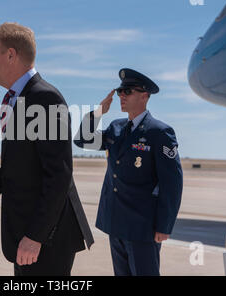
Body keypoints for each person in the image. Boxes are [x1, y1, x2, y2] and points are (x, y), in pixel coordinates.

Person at [0, 22, 94, 276]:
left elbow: (59, 174)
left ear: (10, 55)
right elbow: (20, 168)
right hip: (31, 236)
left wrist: (36, 236)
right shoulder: (20, 99)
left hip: (46, 239)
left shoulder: (44, 98)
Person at [74, 68, 183, 276]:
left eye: (128, 91)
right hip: (116, 222)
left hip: (143, 227)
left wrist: (164, 225)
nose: (121, 96)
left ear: (144, 96)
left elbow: (172, 183)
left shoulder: (159, 132)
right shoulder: (117, 128)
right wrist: (97, 113)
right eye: (120, 92)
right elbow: (82, 140)